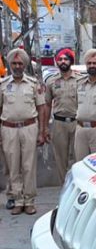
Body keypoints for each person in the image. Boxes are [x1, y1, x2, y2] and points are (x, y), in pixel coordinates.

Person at [0, 48, 47, 215]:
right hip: (8, 129)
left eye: (20, 63)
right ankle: (18, 200)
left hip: (29, 128)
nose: (17, 66)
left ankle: (29, 201)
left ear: (25, 65)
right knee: (13, 167)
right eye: (14, 63)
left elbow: (41, 108)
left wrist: (42, 132)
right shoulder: (3, 85)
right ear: (10, 64)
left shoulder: (33, 84)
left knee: (29, 166)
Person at [45, 48, 78, 183]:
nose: (63, 61)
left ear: (71, 61)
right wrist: (45, 127)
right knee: (60, 159)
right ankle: (63, 188)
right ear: (56, 62)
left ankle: (76, 187)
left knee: (78, 158)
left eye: (66, 59)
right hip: (59, 124)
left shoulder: (80, 80)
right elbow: (47, 104)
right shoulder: (51, 81)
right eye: (60, 59)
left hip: (77, 123)